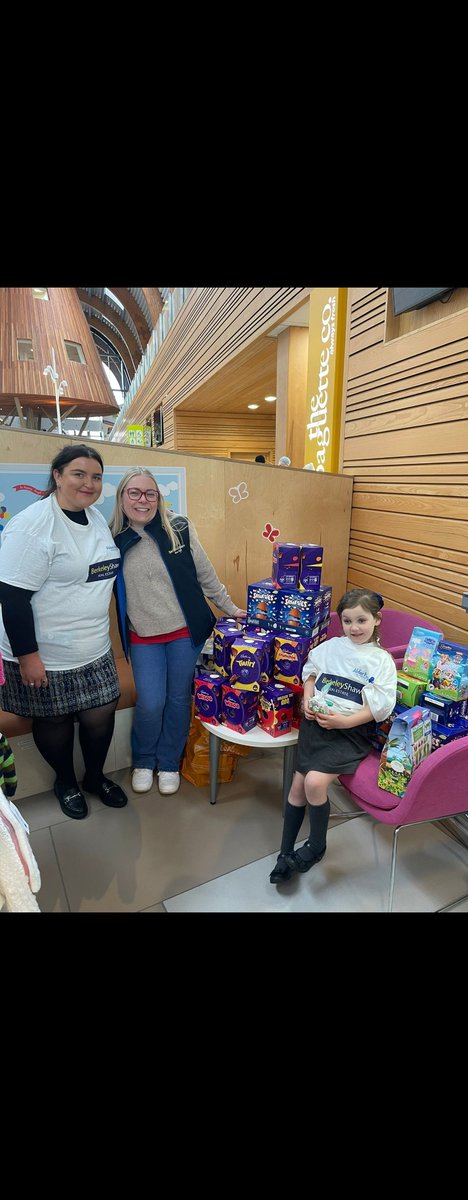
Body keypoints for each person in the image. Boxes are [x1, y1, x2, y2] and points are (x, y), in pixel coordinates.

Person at [0, 444, 128, 821]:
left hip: (93, 645)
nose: (89, 483)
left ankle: (94, 777)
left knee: (101, 711)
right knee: (53, 720)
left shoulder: (95, 518)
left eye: (96, 477)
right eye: (79, 474)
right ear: (57, 476)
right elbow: (11, 595)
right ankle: (65, 781)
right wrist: (28, 656)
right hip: (44, 653)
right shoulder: (33, 525)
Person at [109, 468, 246, 796]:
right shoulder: (112, 539)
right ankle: (145, 760)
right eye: (134, 493)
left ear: (159, 498)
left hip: (184, 632)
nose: (143, 500)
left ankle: (169, 762)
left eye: (150, 493)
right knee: (151, 703)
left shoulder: (178, 528)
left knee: (178, 699)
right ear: (122, 498)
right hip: (143, 635)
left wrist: (231, 608)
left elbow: (206, 574)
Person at [269, 587, 397, 884]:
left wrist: (343, 722)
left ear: (377, 620)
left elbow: (378, 708)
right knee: (297, 787)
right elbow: (310, 675)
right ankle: (285, 853)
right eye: (348, 621)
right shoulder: (331, 647)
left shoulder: (381, 661)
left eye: (362, 620)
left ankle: (316, 846)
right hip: (316, 727)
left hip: (349, 733)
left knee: (314, 781)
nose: (354, 628)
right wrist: (307, 702)